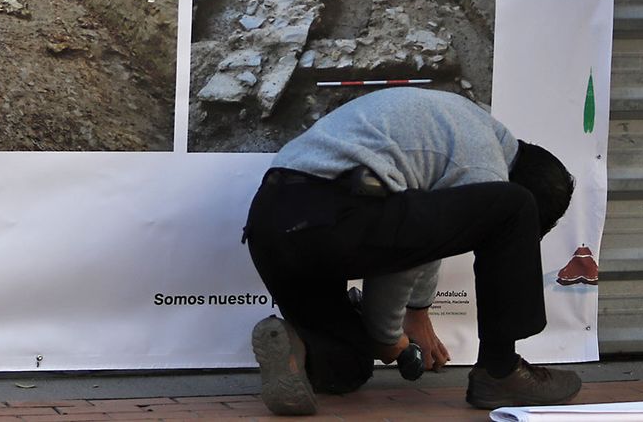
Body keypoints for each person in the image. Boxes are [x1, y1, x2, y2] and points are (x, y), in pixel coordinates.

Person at [241, 87, 580, 414]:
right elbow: (403, 258)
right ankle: (502, 372)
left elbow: (426, 229)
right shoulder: (486, 164)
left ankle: (299, 349)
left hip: (271, 224)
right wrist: (388, 337)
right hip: (334, 212)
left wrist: (417, 312)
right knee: (514, 207)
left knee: (348, 365)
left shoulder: (462, 125)